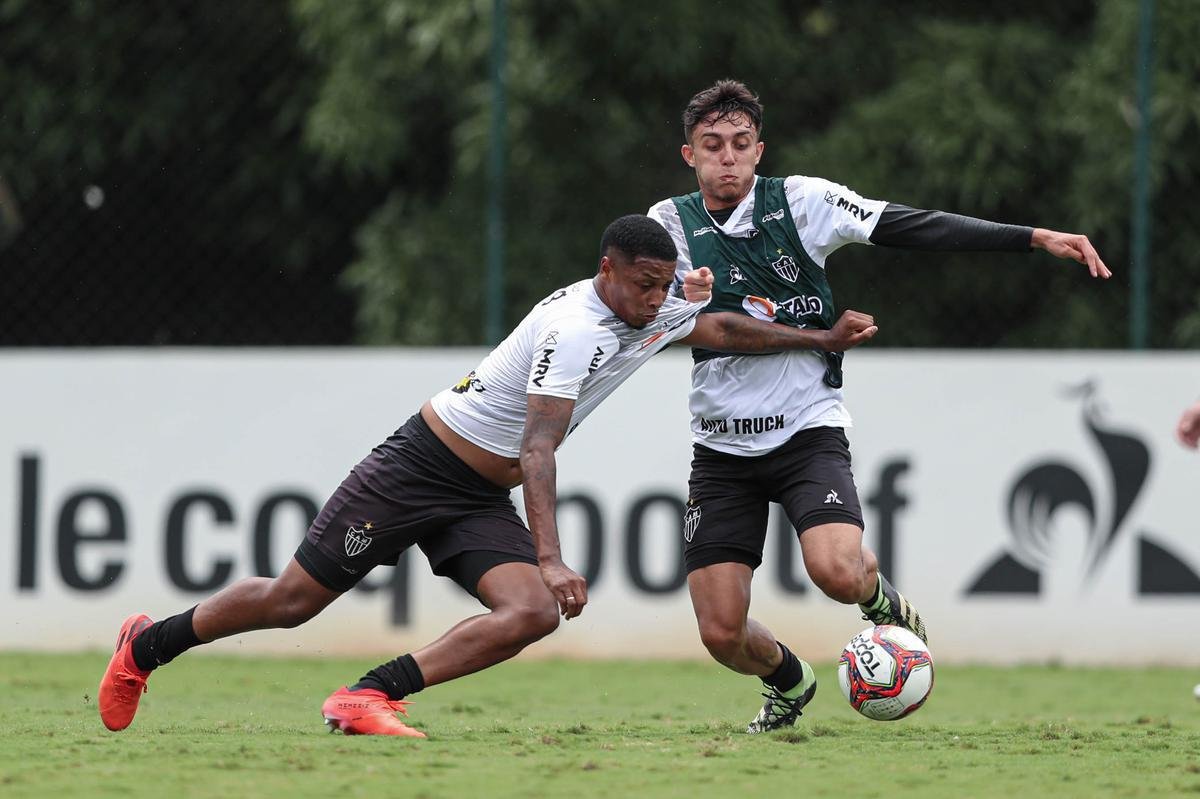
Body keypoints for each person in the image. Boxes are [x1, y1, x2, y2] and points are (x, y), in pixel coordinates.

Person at [98, 214, 880, 737]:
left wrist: (814, 337)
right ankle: (147, 644)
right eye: (641, 283)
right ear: (604, 269)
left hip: (476, 492)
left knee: (533, 612)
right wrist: (550, 552)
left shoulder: (655, 303)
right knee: (291, 600)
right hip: (417, 466)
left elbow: (713, 324)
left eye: (660, 284)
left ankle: (369, 694)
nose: (653, 299)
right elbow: (539, 449)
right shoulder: (573, 329)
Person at [646, 79, 1112, 734]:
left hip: (807, 432)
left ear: (760, 149)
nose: (728, 158)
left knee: (836, 570)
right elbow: (648, 317)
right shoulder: (668, 227)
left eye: (741, 144)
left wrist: (1031, 236)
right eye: (712, 145)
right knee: (722, 631)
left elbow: (910, 224)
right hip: (721, 448)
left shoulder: (801, 202)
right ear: (688, 154)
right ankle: (788, 680)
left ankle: (879, 599)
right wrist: (679, 301)